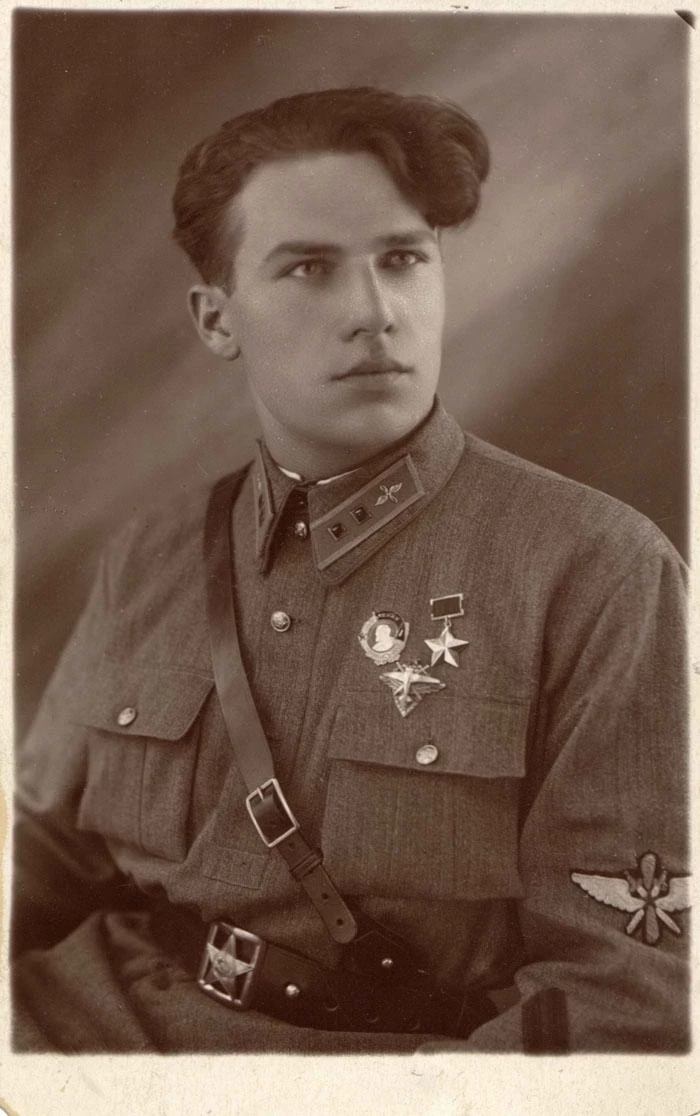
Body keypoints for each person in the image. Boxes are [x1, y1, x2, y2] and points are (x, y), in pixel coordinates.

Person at [12, 86, 689, 1054]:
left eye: (403, 260)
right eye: (309, 269)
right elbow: (39, 859)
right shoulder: (152, 556)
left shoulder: (595, 572)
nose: (374, 313)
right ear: (216, 320)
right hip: (84, 1029)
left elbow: (621, 1003)